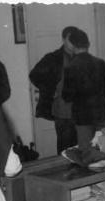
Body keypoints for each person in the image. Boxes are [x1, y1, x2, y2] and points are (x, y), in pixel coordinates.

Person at [29, 26, 78, 154]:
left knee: (82, 150)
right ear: (63, 39)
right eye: (70, 39)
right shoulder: (53, 58)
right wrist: (50, 90)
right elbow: (34, 75)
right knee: (65, 150)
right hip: (62, 113)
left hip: (82, 112)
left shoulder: (83, 57)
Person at [62, 28, 105, 155]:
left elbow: (67, 96)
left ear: (72, 46)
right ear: (88, 44)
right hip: (102, 113)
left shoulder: (71, 67)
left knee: (87, 153)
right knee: (104, 150)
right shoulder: (101, 63)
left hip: (82, 116)